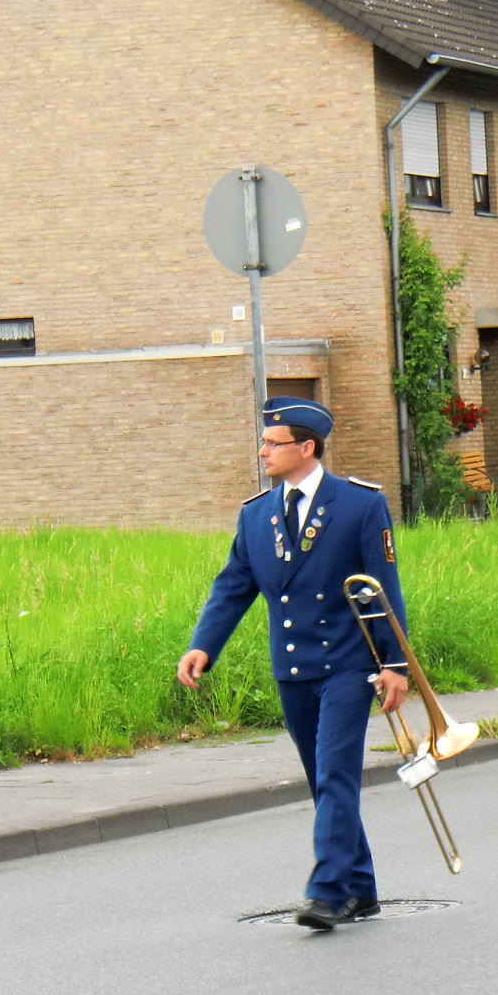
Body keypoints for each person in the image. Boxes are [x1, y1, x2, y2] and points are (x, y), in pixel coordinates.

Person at [177, 397, 409, 931]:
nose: (262, 452)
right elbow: (233, 586)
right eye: (263, 442)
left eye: (272, 443)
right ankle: (361, 889)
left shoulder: (359, 504)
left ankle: (326, 892)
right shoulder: (256, 514)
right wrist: (203, 645)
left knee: (335, 774)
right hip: (293, 668)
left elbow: (382, 589)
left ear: (307, 447)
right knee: (323, 780)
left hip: (349, 664)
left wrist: (395, 664)